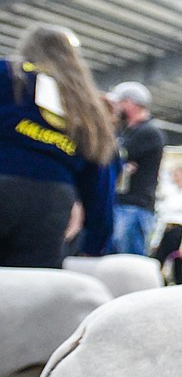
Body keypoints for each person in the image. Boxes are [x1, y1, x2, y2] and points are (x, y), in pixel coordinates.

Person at [0, 24, 117, 267]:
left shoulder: (7, 73)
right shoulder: (85, 101)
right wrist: (96, 242)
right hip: (53, 199)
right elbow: (101, 173)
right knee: (32, 287)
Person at [108, 80, 166, 255]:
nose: (116, 108)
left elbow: (114, 157)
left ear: (130, 103)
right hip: (124, 205)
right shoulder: (127, 133)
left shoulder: (148, 132)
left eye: (119, 103)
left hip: (134, 207)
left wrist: (120, 162)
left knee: (130, 262)